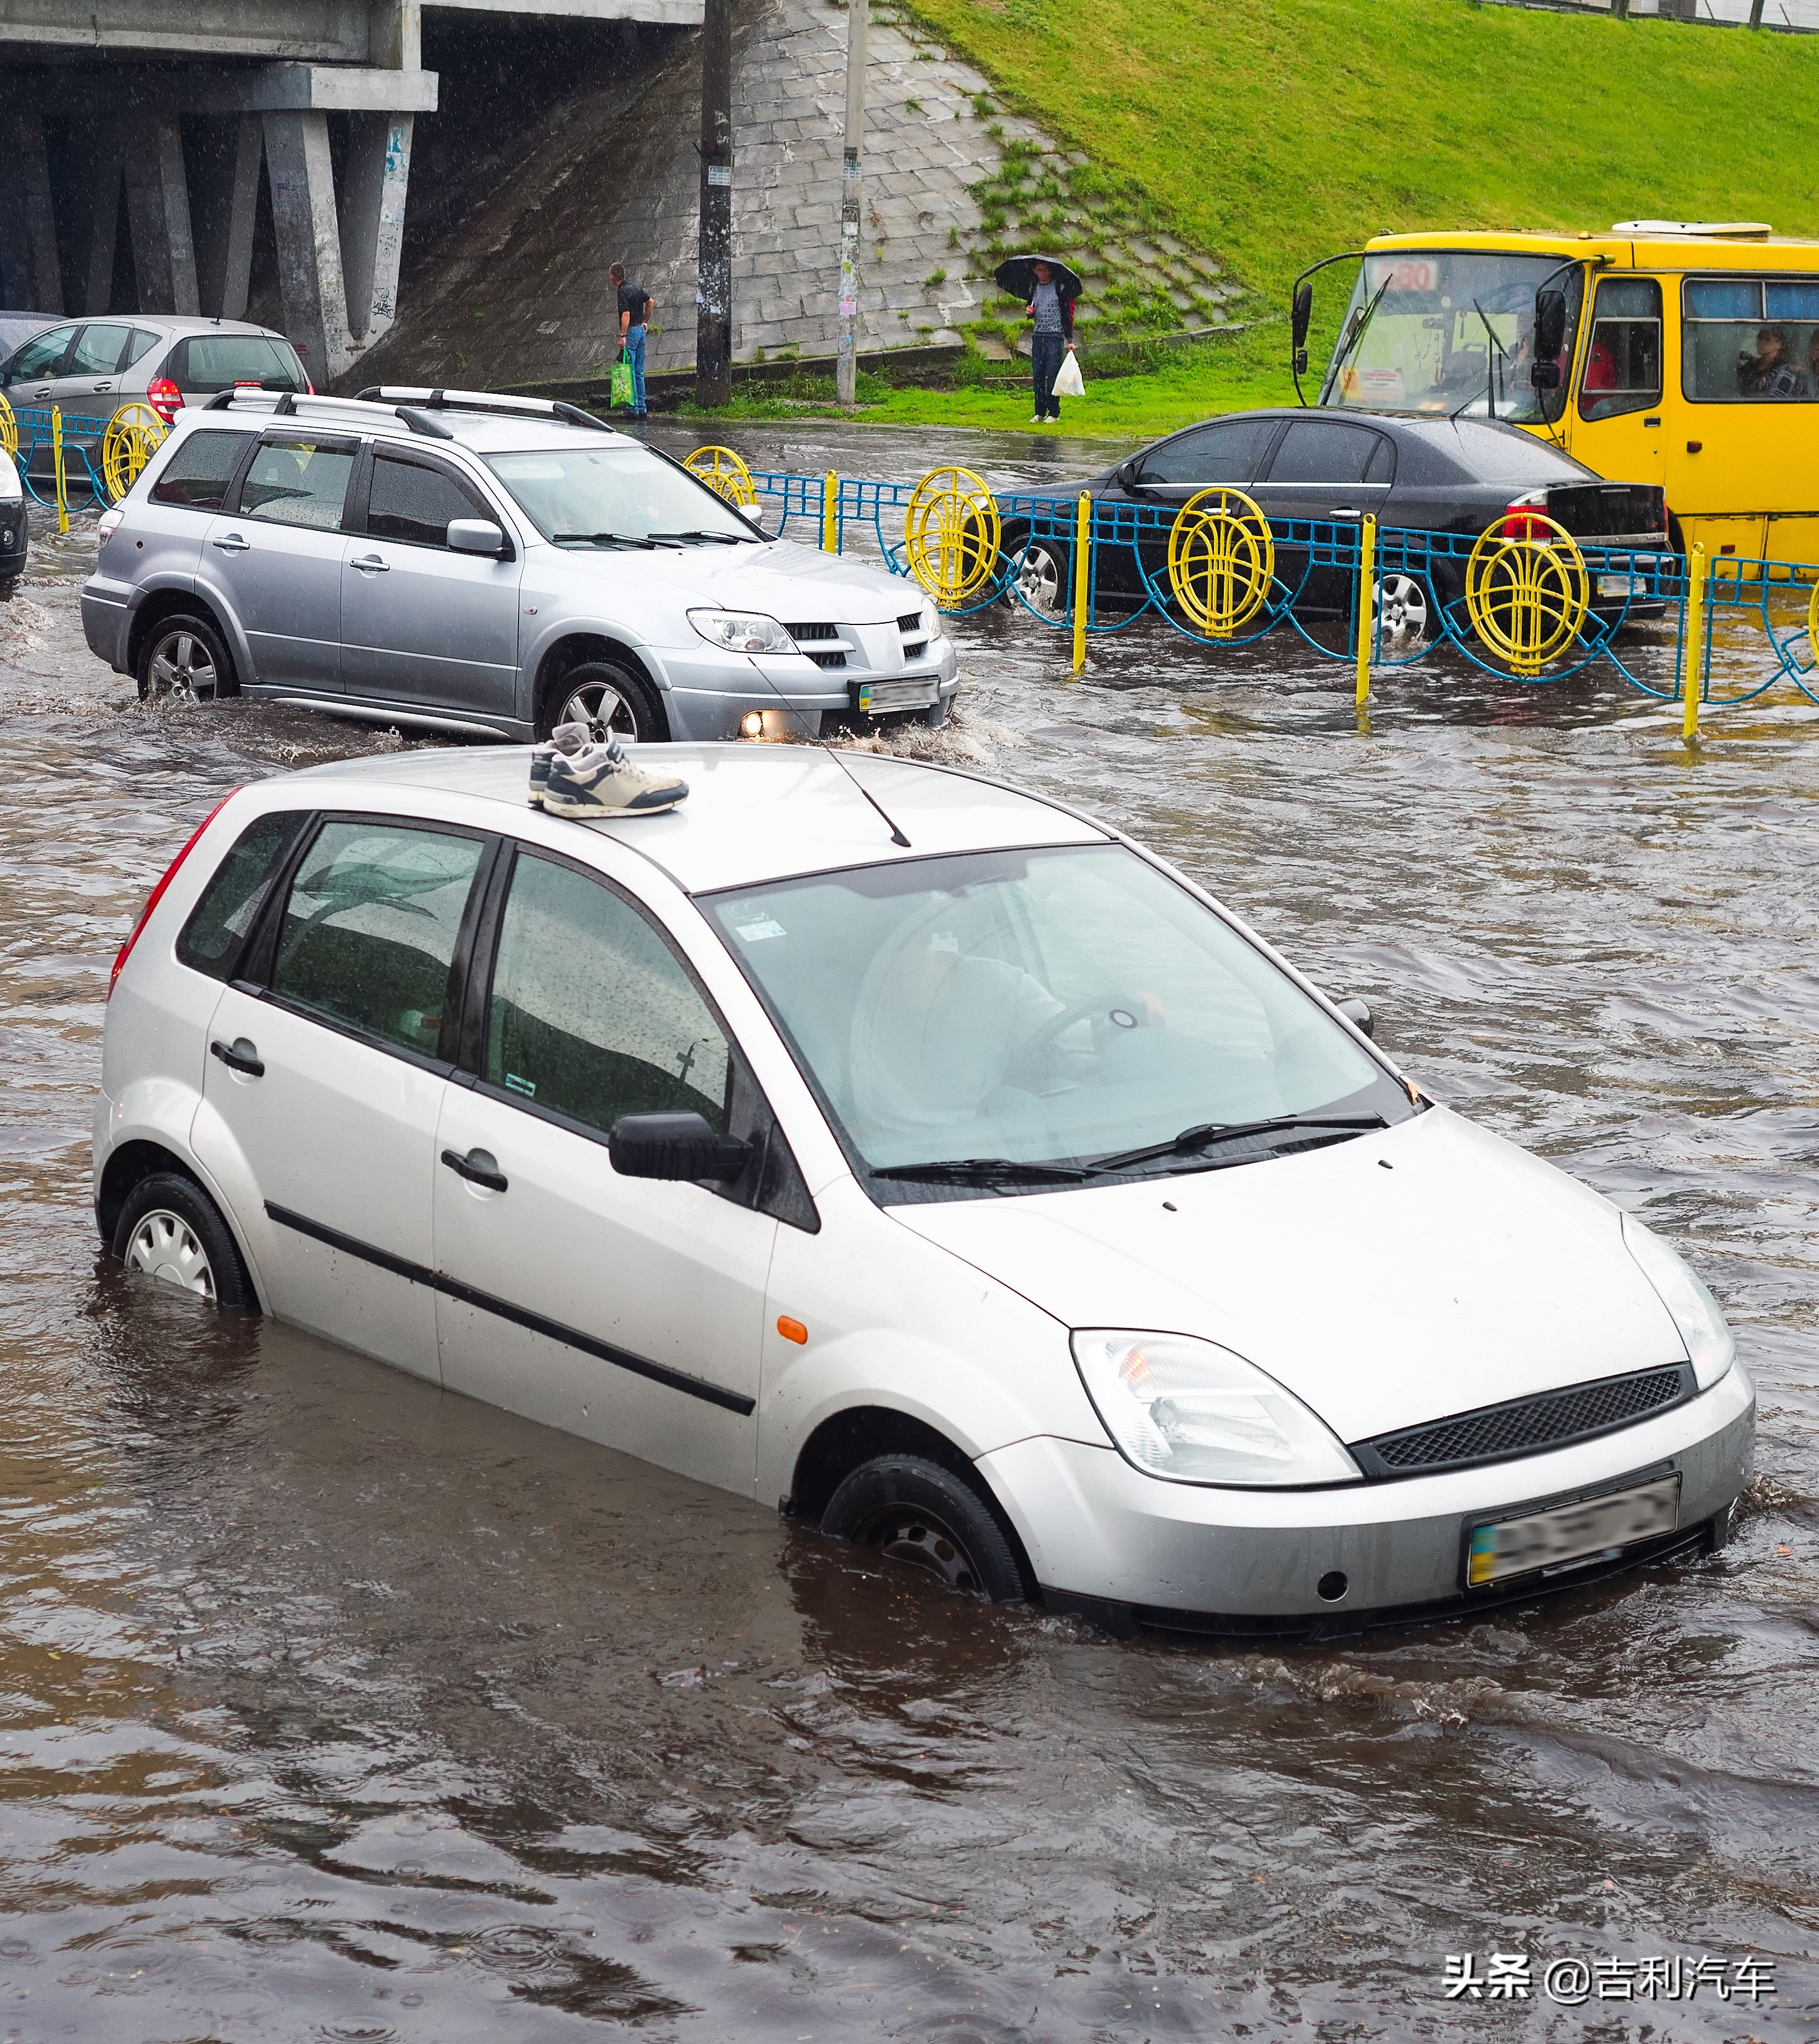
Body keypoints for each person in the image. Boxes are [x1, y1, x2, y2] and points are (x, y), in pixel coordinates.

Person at [1023, 259, 1076, 425]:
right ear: (1035, 271)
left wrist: (1070, 339)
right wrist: (1029, 312)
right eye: (1040, 270)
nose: (1043, 273)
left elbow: (1066, 314)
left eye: (1045, 270)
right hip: (1038, 335)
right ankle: (1039, 411)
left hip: (1055, 336)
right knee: (1038, 375)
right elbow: (1032, 309)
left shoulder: (1059, 288)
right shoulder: (1034, 288)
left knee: (1053, 375)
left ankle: (1054, 412)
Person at [611, 262, 653, 418]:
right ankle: (642, 407)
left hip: (631, 333)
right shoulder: (635, 287)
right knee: (639, 372)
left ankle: (633, 408)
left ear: (612, 277)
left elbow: (626, 314)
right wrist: (645, 321)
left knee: (629, 370)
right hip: (641, 330)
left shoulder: (622, 291)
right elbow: (650, 302)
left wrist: (623, 336)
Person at [1738, 325, 1804, 399]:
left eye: (1768, 340)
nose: (1762, 343)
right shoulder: (1753, 367)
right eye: (1760, 339)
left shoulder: (1786, 370)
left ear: (1779, 344)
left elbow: (1775, 400)